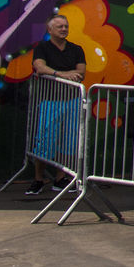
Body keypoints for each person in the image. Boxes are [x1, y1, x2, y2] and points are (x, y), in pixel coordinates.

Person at [25, 14, 86, 195]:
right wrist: (62, 75)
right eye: (59, 26)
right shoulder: (42, 48)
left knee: (68, 141)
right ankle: (38, 178)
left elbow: (80, 72)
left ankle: (60, 178)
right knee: (45, 141)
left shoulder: (76, 49)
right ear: (50, 30)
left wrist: (63, 74)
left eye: (66, 26)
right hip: (50, 101)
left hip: (72, 101)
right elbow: (40, 67)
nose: (64, 29)